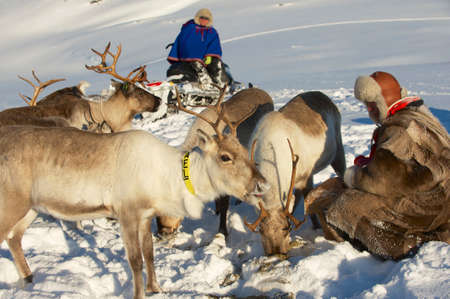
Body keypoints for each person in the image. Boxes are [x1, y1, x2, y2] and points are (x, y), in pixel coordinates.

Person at [304, 71, 449, 260]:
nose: (369, 111)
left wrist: (354, 176)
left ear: (382, 101)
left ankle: (404, 247)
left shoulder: (397, 129)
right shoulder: (419, 114)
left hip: (430, 206)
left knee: (347, 205)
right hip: (443, 199)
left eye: (371, 105)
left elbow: (383, 182)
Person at [167, 8, 230, 88]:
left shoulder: (212, 32)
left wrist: (210, 55)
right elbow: (184, 42)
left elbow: (214, 45)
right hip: (187, 58)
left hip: (205, 58)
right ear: (197, 18)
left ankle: (218, 84)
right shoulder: (189, 28)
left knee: (215, 64)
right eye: (202, 18)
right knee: (196, 64)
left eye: (206, 18)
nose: (204, 20)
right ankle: (205, 81)